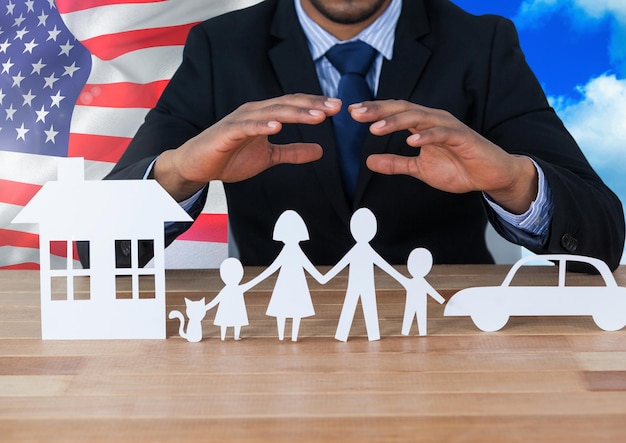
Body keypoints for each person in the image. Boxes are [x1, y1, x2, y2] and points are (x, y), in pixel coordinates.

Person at [102, 0, 625, 271]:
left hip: (445, 346)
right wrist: (178, 174)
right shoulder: (221, 48)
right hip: (275, 347)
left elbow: (602, 235)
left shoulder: (481, 44)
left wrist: (514, 182)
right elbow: (96, 247)